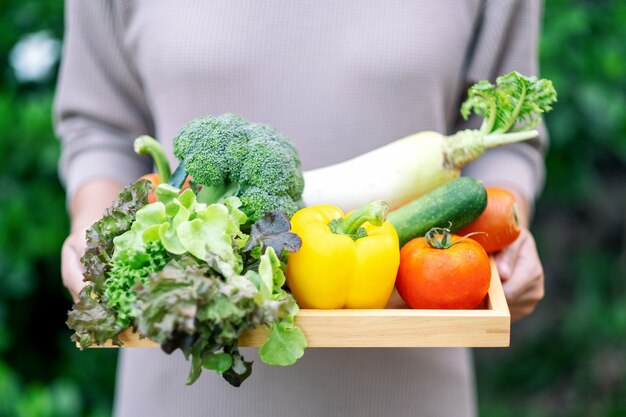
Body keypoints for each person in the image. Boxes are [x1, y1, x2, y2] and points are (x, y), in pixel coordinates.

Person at [55, 1, 546, 416]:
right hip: (181, 376)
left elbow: (507, 137)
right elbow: (100, 128)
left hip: (410, 385)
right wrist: (91, 229)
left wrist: (505, 231)